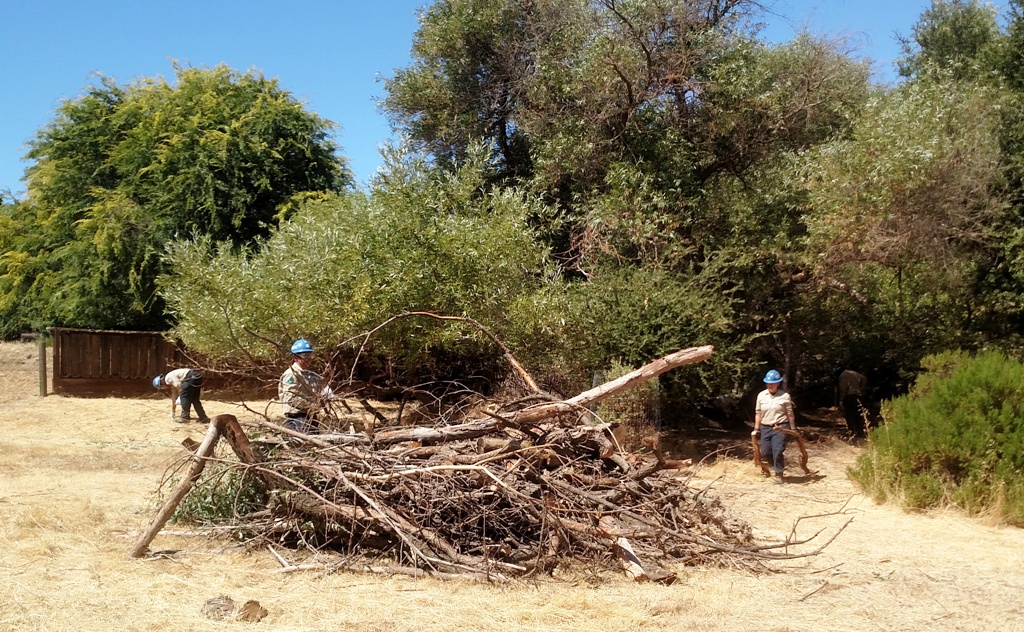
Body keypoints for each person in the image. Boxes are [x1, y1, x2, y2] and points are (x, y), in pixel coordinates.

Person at [278, 338, 333, 433]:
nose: (308, 358)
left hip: (311, 417)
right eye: (305, 355)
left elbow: (318, 391)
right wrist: (311, 405)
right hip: (297, 418)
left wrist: (326, 394)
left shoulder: (309, 374)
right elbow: (290, 398)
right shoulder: (291, 374)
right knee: (303, 446)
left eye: (310, 355)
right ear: (295, 357)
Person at [752, 369, 796, 484]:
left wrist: (793, 429)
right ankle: (775, 466)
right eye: (768, 383)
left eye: (772, 383)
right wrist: (756, 429)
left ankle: (779, 474)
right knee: (765, 452)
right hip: (765, 427)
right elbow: (758, 413)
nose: (770, 385)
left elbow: (790, 413)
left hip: (780, 427)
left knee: (778, 450)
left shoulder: (785, 396)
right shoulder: (761, 395)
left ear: (778, 383)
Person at [835, 367, 869, 437]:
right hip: (858, 396)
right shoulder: (854, 373)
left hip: (849, 396)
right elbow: (864, 378)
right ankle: (860, 432)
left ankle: (852, 432)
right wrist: (862, 389)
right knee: (858, 415)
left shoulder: (843, 375)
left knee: (849, 415)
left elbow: (843, 388)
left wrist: (841, 399)